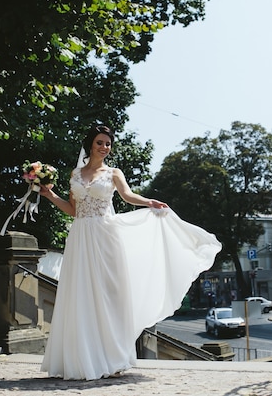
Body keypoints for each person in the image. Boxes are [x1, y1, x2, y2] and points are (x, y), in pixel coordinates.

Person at [39, 125, 221, 380]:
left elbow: (127, 195)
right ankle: (81, 359)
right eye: (100, 142)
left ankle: (111, 359)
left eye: (108, 144)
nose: (104, 147)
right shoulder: (76, 173)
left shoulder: (113, 173)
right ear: (91, 144)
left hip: (105, 235)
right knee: (80, 294)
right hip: (80, 237)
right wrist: (49, 194)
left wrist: (149, 202)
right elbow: (72, 209)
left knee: (108, 296)